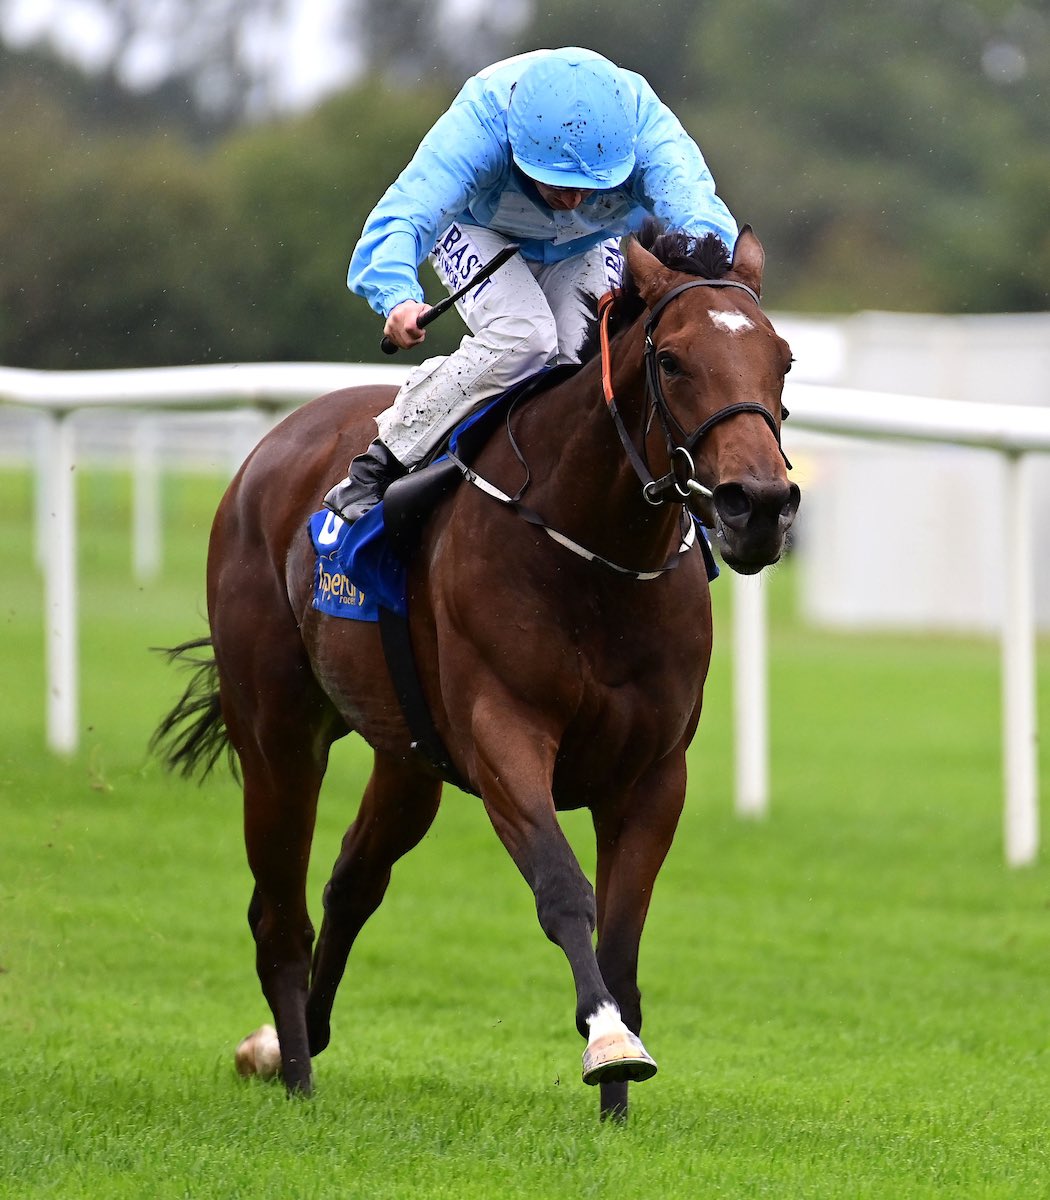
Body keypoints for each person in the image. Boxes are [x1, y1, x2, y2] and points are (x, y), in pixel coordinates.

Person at [324, 46, 738, 523]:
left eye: (589, 185)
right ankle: (382, 462)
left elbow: (702, 219)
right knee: (526, 337)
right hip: (479, 229)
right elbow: (405, 214)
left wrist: (723, 294)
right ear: (518, 147)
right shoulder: (481, 122)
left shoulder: (647, 132)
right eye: (557, 182)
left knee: (580, 368)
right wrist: (397, 296)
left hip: (586, 241)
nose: (574, 197)